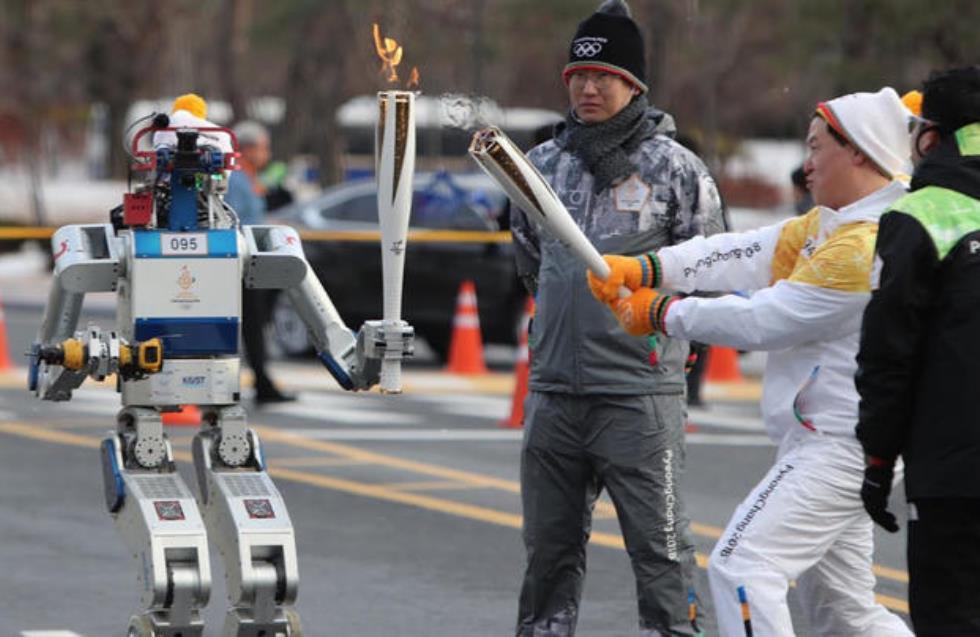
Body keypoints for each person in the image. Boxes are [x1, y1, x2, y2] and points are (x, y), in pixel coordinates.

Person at [589, 88, 915, 636]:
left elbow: (770, 320)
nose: (805, 163)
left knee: (743, 566)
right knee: (844, 611)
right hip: (833, 440)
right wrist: (649, 268)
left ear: (858, 151)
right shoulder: (826, 226)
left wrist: (663, 312)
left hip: (838, 445)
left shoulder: (868, 243)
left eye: (816, 147)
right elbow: (740, 254)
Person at [509, 1, 727, 634]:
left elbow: (709, 273)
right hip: (554, 396)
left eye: (604, 74)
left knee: (661, 553)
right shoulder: (541, 166)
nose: (588, 86)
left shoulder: (676, 168)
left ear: (634, 85)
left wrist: (666, 342)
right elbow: (529, 260)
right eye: (577, 75)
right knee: (547, 558)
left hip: (638, 399)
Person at [854, 66, 980, 635]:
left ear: (930, 136)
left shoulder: (922, 213)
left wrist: (878, 458)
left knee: (949, 617)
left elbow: (888, 352)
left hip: (955, 471)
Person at [225, 119, 295, 404]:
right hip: (241, 263)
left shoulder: (252, 181)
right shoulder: (236, 181)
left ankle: (262, 381)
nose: (266, 154)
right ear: (247, 149)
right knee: (249, 323)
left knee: (255, 324)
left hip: (254, 262)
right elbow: (234, 220)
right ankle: (259, 383)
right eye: (263, 148)